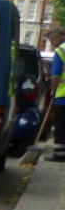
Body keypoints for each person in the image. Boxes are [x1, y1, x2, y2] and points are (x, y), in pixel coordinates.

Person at [47, 27, 65, 161]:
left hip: (63, 97)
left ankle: (59, 154)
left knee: (60, 126)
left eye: (52, 39)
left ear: (60, 36)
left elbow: (55, 75)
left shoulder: (61, 50)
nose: (52, 43)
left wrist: (53, 90)